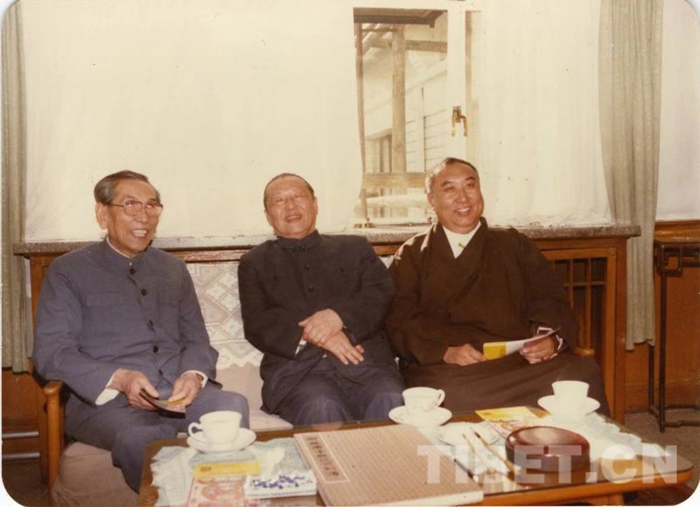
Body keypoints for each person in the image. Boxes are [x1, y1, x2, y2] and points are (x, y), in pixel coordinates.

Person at [33, 170, 250, 492]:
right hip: (108, 405)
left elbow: (196, 339)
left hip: (179, 394)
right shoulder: (68, 271)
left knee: (230, 405)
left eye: (152, 206)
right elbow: (51, 353)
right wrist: (120, 379)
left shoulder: (173, 269)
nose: (144, 216)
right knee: (142, 436)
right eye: (131, 205)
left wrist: (192, 375)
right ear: (102, 213)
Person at [385, 157, 610, 414]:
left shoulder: (514, 244)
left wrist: (549, 339)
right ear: (431, 200)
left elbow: (549, 298)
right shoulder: (413, 254)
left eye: (470, 186)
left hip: (519, 362)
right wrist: (444, 352)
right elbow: (398, 320)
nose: (463, 198)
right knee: (452, 395)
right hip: (449, 367)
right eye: (449, 189)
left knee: (581, 375)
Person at [238, 173, 404, 426]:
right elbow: (257, 323)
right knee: (321, 406)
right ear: (268, 215)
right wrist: (318, 335)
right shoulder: (254, 262)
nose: (290, 206)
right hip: (299, 374)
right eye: (279, 201)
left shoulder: (355, 247)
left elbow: (380, 293)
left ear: (315, 204)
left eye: (298, 197)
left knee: (390, 398)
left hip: (365, 363)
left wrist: (338, 318)